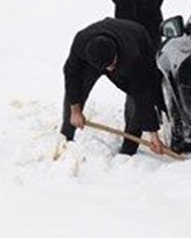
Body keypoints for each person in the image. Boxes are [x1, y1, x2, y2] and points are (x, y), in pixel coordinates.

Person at [61, 17, 166, 156]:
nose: (110, 70)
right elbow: (71, 75)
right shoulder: (81, 43)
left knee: (137, 99)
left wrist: (153, 135)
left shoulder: (133, 55)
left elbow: (143, 92)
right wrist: (75, 109)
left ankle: (129, 149)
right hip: (98, 49)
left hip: (136, 42)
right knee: (76, 90)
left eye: (112, 65)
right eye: (106, 67)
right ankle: (65, 139)